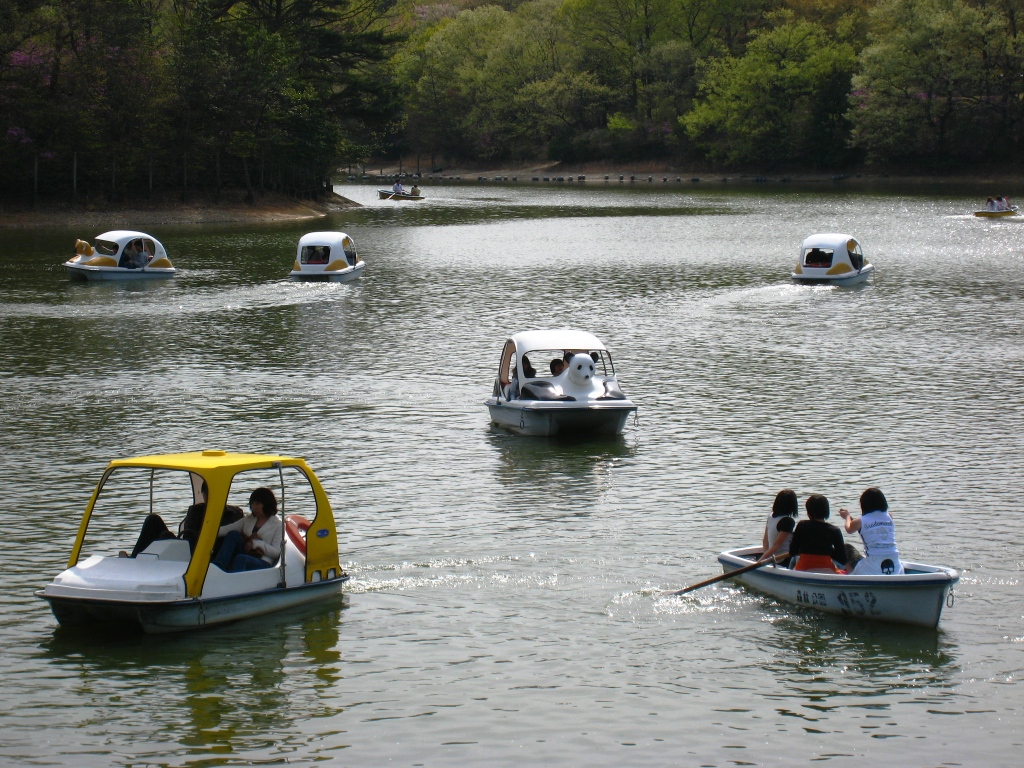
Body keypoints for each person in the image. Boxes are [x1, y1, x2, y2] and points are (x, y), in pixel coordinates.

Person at [127, 480, 243, 557]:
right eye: (206, 494)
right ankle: (133, 559)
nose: (209, 497)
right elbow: (189, 535)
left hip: (209, 553)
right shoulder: (196, 511)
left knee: (165, 537)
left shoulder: (235, 513)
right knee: (153, 520)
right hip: (191, 546)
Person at [211, 487, 283, 572]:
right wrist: (207, 533)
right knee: (233, 534)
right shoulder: (249, 519)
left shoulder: (278, 524)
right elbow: (228, 529)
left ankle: (233, 582)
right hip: (246, 553)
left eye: (258, 504)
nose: (254, 507)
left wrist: (254, 543)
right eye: (252, 504)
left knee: (241, 559)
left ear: (267, 504)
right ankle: (217, 568)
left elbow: (276, 552)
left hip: (263, 560)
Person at [839, 487, 904, 575]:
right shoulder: (889, 516)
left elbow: (849, 529)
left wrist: (847, 516)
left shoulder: (859, 521)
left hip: (871, 568)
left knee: (845, 548)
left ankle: (850, 572)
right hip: (895, 565)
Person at [789, 494, 848, 573]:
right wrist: (828, 550)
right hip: (827, 570)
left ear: (809, 512)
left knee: (794, 559)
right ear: (826, 511)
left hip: (803, 569)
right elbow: (843, 559)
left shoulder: (801, 525)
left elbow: (793, 551)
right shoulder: (834, 530)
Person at [758, 489, 798, 563]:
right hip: (783, 559)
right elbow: (776, 545)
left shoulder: (770, 516)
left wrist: (765, 557)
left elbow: (765, 541)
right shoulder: (788, 521)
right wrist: (760, 561)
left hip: (773, 557)